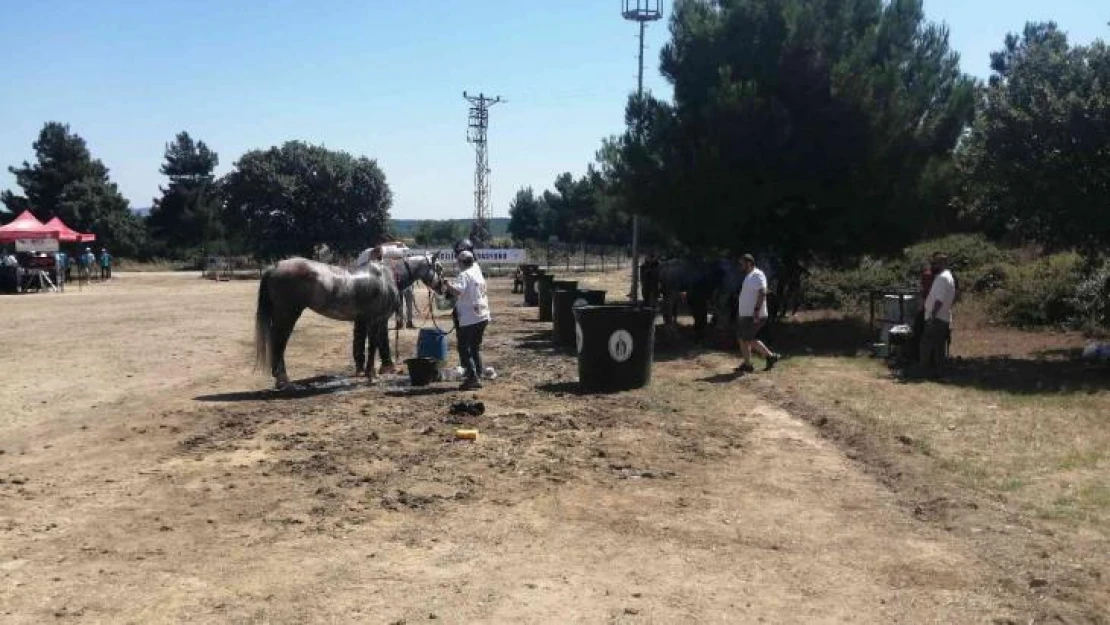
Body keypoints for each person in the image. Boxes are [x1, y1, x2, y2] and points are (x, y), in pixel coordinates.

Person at [444, 250, 490, 390]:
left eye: (458, 262)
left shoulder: (464, 275)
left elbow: (458, 291)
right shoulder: (477, 271)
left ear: (462, 262)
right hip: (483, 314)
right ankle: (478, 372)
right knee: (475, 347)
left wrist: (447, 284)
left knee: (464, 348)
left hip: (470, 317)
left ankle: (472, 377)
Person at [352, 246, 396, 377]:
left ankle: (385, 364)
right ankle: (360, 366)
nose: (379, 258)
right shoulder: (365, 258)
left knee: (380, 334)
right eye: (378, 255)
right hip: (363, 302)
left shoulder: (379, 259)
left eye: (381, 255)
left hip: (376, 303)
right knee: (361, 334)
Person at [735, 253, 781, 373]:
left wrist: (756, 310)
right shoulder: (748, 276)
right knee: (742, 338)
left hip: (755, 315)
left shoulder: (757, 274)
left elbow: (762, 291)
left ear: (749, 263)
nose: (740, 266)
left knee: (747, 338)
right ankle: (747, 364)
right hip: (745, 315)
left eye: (742, 263)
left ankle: (771, 356)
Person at [920, 252, 956, 378]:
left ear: (941, 264)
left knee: (926, 343)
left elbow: (939, 300)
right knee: (939, 347)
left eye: (935, 263)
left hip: (937, 317)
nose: (933, 265)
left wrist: (932, 316)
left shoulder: (942, 278)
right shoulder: (949, 277)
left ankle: (923, 371)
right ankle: (938, 373)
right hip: (944, 317)